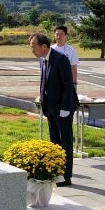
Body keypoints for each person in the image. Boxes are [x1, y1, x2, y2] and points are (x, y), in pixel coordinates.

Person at [30, 32, 78, 186]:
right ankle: (57, 173)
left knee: (65, 142)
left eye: (34, 47)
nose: (32, 50)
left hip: (63, 107)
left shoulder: (60, 59)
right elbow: (45, 82)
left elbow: (67, 85)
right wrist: (42, 98)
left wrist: (65, 108)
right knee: (54, 142)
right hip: (50, 107)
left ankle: (66, 176)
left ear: (44, 46)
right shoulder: (43, 59)